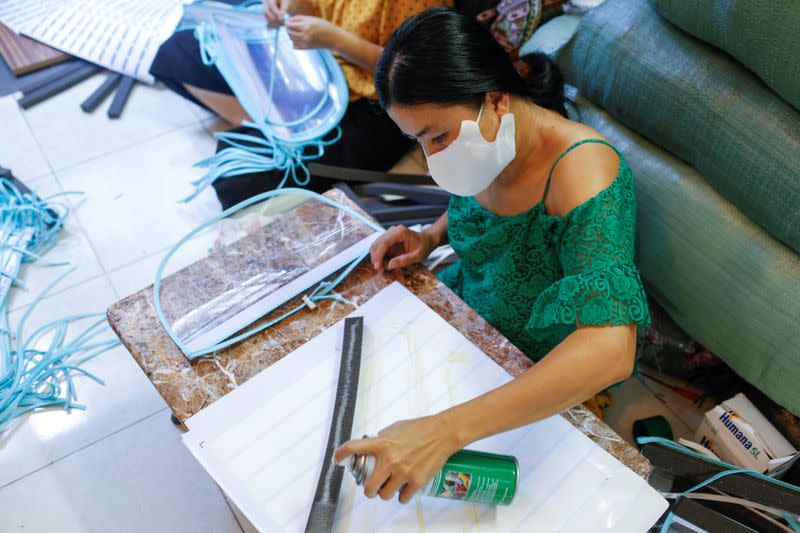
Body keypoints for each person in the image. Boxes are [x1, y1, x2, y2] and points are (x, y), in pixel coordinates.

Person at [333, 7, 651, 505]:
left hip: (539, 366)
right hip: (470, 319)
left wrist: (446, 431)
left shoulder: (583, 174)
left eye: (438, 137)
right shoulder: (487, 142)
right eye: (419, 142)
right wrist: (430, 238)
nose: (434, 159)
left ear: (496, 99)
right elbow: (472, 204)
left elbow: (612, 347)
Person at [150, 0, 451, 209]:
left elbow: (413, 78)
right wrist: (288, 7)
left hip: (377, 102)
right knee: (175, 53)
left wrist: (336, 40)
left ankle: (280, 132)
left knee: (237, 179)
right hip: (315, 61)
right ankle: (276, 123)